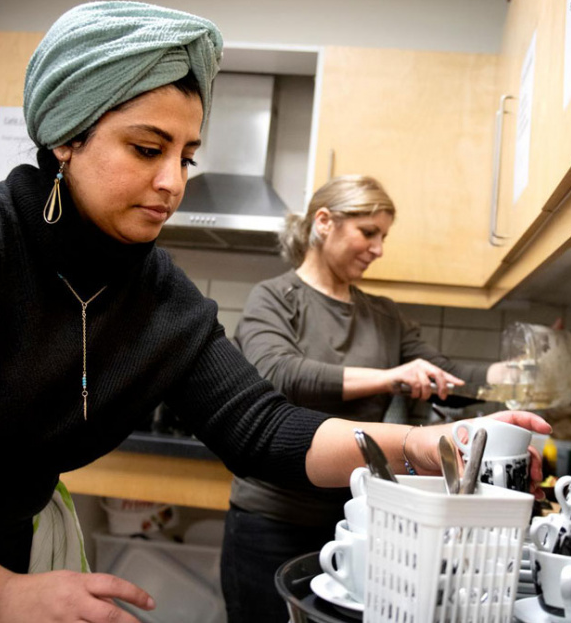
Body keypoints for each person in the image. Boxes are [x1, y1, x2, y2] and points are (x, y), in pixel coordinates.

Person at [0, 1, 549, 623]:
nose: (173, 181)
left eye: (187, 155)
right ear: (65, 139)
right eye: (147, 149)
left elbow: (266, 431)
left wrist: (432, 441)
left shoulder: (159, 295)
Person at [221, 176, 540, 622]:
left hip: (358, 521)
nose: (378, 248)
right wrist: (392, 377)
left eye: (383, 236)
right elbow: (280, 373)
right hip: (271, 521)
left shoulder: (385, 315)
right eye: (368, 232)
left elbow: (447, 375)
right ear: (325, 222)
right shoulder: (274, 298)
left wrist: (516, 374)